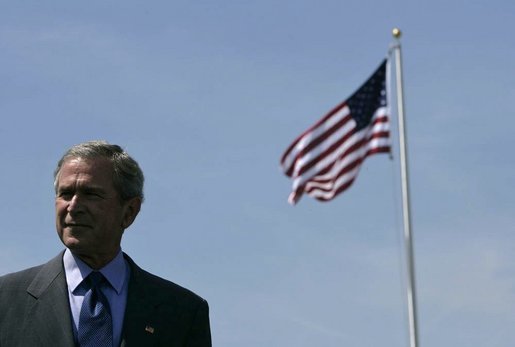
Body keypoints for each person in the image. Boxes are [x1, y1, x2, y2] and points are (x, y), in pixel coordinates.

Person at [0, 140, 212, 347]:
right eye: (65, 194)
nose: (73, 207)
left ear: (129, 211)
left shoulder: (183, 312)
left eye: (90, 194)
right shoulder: (6, 300)